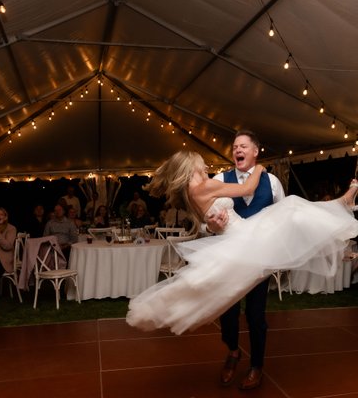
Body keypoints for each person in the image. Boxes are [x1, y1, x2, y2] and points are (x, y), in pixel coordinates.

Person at [126, 150, 358, 386]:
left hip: (243, 237)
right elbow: (246, 190)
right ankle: (341, 215)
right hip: (242, 241)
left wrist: (213, 224)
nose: (205, 163)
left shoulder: (194, 191)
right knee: (292, 210)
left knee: (292, 217)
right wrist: (259, 169)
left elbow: (211, 219)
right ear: (190, 164)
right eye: (200, 160)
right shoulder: (203, 186)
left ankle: (340, 232)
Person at [207, 130, 285, 390]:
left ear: (255, 151)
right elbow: (205, 223)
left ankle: (257, 365)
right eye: (234, 147)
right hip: (229, 259)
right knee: (228, 312)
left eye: (242, 146)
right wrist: (212, 227)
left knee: (255, 315)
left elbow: (281, 217)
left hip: (258, 261)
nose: (237, 150)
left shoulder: (272, 182)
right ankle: (232, 351)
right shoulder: (220, 178)